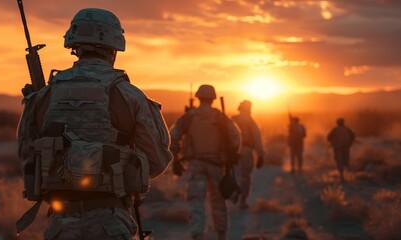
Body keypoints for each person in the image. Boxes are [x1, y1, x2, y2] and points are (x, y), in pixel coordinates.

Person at [17, 8, 172, 240]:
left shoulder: (44, 97)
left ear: (74, 46)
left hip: (60, 225)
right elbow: (157, 161)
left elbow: (27, 153)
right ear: (114, 47)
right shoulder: (128, 95)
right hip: (111, 223)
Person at [170, 84, 241, 240]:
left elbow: (172, 137)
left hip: (195, 165)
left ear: (198, 97)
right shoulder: (221, 117)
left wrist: (175, 160)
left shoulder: (188, 117)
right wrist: (230, 155)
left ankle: (198, 236)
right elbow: (236, 138)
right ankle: (221, 235)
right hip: (216, 165)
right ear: (213, 99)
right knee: (219, 202)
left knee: (196, 203)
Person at [231, 100, 265, 209]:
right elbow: (257, 139)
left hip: (233, 152)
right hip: (246, 150)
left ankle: (234, 195)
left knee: (234, 175)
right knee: (245, 176)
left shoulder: (233, 119)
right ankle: (242, 201)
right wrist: (260, 154)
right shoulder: (251, 122)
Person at [327, 118, 355, 182]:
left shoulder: (335, 129)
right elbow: (353, 136)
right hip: (346, 147)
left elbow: (328, 137)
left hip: (337, 147)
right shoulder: (347, 129)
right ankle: (347, 175)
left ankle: (342, 176)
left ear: (337, 123)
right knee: (345, 160)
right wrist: (350, 142)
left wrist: (332, 142)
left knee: (339, 161)